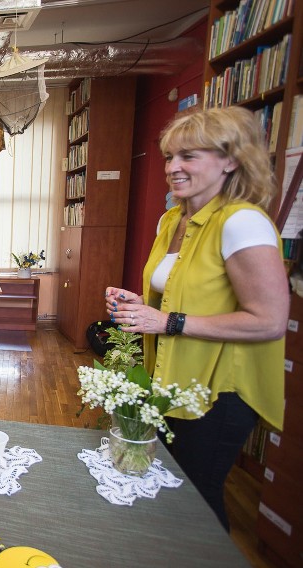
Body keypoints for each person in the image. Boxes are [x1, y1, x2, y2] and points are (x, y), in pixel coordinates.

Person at [103, 106, 288, 531]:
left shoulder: (241, 222)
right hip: (172, 380)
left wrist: (166, 321)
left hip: (217, 392)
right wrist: (137, 303)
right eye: (169, 157)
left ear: (231, 160)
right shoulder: (173, 220)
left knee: (195, 504)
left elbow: (269, 321)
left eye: (189, 156)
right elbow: (178, 293)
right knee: (167, 493)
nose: (173, 168)